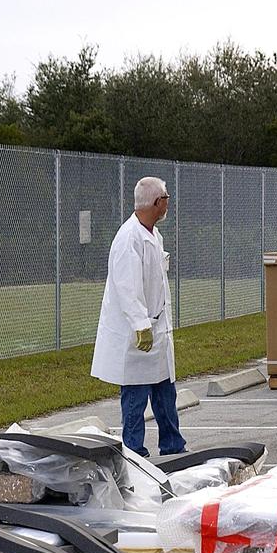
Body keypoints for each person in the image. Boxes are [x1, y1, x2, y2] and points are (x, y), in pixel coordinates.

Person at [91, 176, 186, 457]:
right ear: (157, 202)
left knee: (165, 394)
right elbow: (126, 286)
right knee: (135, 396)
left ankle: (173, 446)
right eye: (166, 198)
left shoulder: (153, 235)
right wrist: (141, 325)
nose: (169, 202)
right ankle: (134, 452)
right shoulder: (128, 238)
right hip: (139, 333)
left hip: (157, 329)